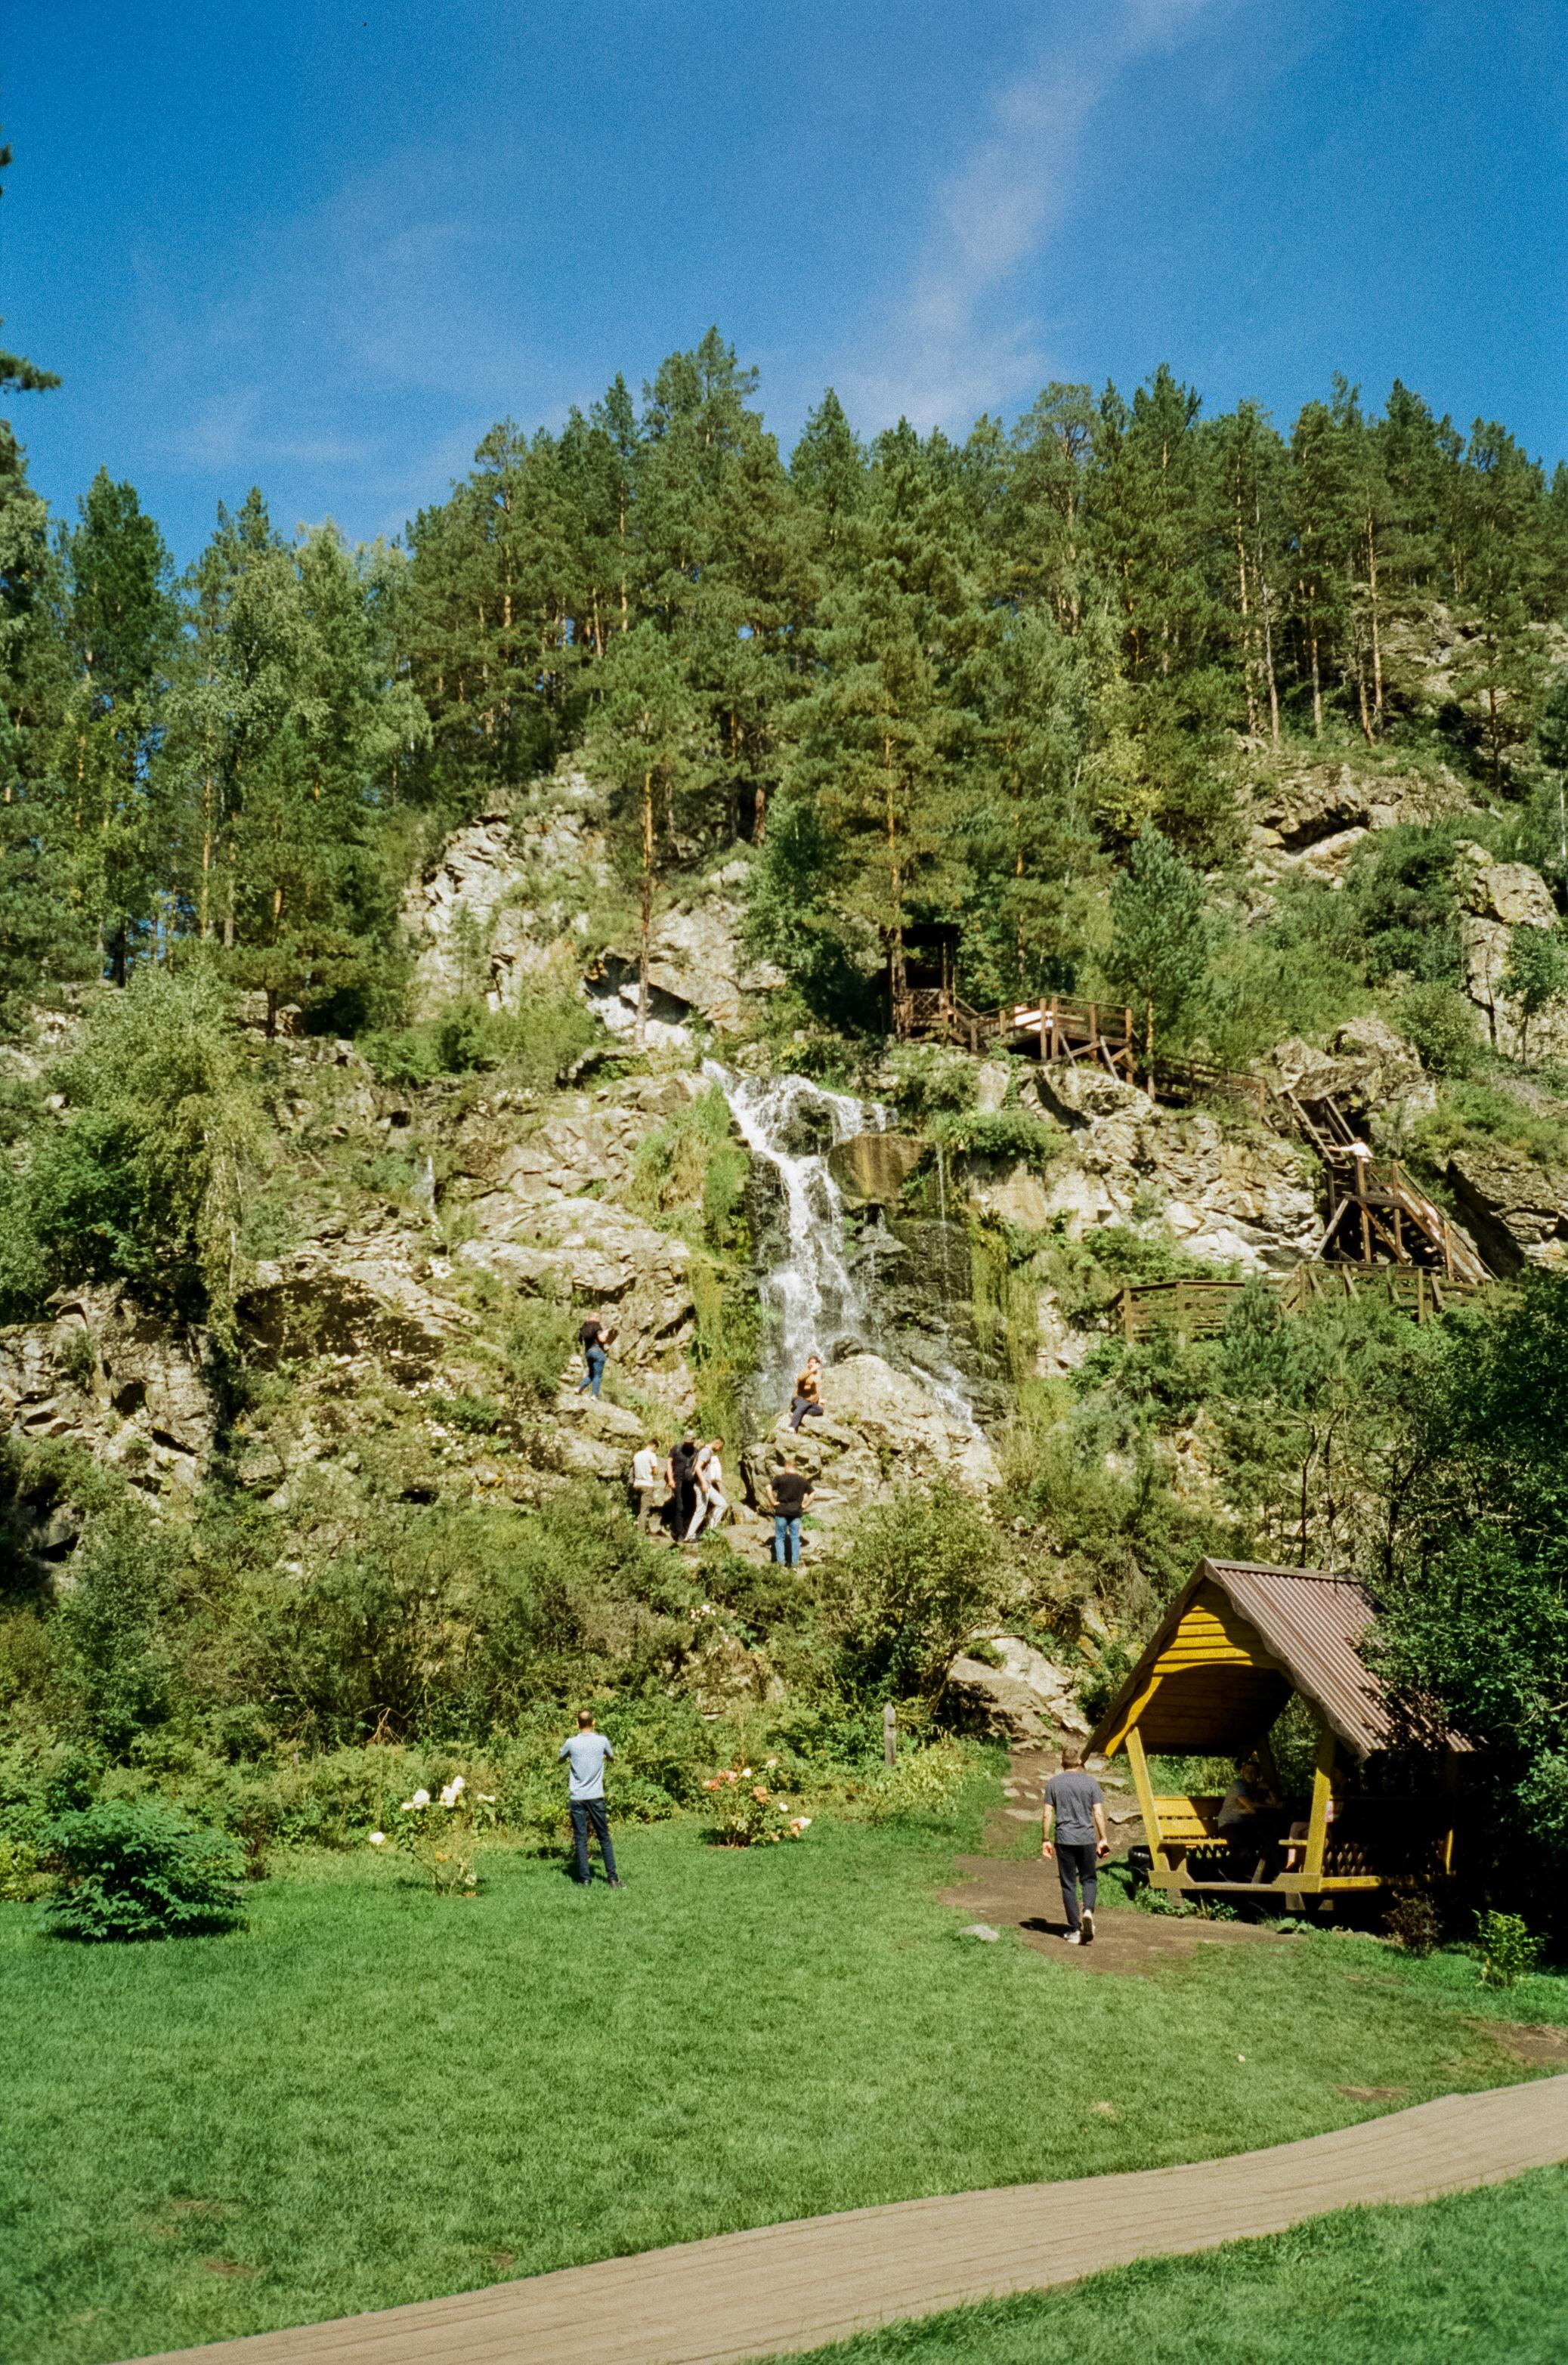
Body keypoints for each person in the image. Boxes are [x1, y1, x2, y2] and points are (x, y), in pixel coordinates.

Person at [1042, 1745, 1110, 1945]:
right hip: (1087, 1839)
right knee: (1089, 1879)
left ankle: (1074, 1929)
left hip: (1064, 1839)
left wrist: (1045, 1839)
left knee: (1068, 1884)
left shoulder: (1053, 1784)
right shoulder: (1090, 1783)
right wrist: (1103, 1838)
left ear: (1062, 1763)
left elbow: (1047, 1813)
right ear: (1080, 1762)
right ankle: (1088, 1910)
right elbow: (1097, 1813)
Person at [558, 1708, 622, 1887]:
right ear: (594, 1723)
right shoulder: (602, 1741)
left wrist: (567, 1755)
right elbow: (611, 1758)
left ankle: (585, 1879)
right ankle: (612, 1878)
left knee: (580, 1838)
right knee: (604, 1837)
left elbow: (560, 1759)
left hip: (577, 1797)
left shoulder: (571, 1743)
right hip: (596, 1796)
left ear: (577, 1724)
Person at [771, 1458, 812, 1566]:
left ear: (787, 1466)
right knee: (795, 1538)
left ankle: (781, 1564)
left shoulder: (780, 1478)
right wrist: (804, 1506)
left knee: (780, 1538)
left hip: (782, 1511)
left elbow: (767, 1488)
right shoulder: (802, 1480)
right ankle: (795, 1564)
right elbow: (813, 1494)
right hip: (796, 1513)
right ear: (795, 1467)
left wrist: (773, 1502)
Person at [686, 1436, 728, 1542]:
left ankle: (711, 1531)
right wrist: (704, 1483)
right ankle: (689, 1536)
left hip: (707, 1486)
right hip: (702, 1485)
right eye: (720, 1448)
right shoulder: (706, 1452)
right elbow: (697, 1468)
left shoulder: (706, 1451)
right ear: (717, 1444)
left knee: (722, 1504)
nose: (719, 1450)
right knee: (700, 1511)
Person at [577, 1306, 615, 1398]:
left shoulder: (584, 1327)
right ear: (597, 1318)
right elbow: (602, 1339)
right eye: (599, 1318)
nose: (600, 1320)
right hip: (597, 1352)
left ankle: (579, 1389)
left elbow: (580, 1341)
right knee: (598, 1375)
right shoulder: (597, 1326)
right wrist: (606, 1332)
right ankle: (594, 1395)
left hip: (588, 1352)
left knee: (592, 1374)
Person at [666, 1436, 700, 1538]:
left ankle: (687, 1532)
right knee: (679, 1507)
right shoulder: (676, 1449)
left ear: (693, 1442)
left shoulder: (696, 1451)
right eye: (687, 1442)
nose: (688, 1444)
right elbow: (669, 1463)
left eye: (690, 1442)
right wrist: (670, 1479)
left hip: (691, 1483)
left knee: (691, 1507)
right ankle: (679, 1533)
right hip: (678, 1481)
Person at [630, 1439, 660, 1534]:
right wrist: (652, 1472)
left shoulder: (637, 1455)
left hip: (637, 1484)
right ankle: (641, 1534)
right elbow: (655, 1471)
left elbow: (633, 1469)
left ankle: (637, 1526)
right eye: (656, 1449)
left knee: (639, 1508)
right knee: (645, 1510)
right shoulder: (652, 1455)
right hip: (647, 1484)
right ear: (654, 1446)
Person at [789, 1356, 824, 1434]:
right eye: (811, 1362)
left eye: (814, 1363)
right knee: (803, 1405)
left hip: (809, 1402)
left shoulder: (817, 1374)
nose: (812, 1364)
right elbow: (800, 1378)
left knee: (820, 1410)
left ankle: (796, 1412)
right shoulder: (805, 1371)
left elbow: (817, 1388)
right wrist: (811, 1370)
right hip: (798, 1398)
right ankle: (792, 1427)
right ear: (808, 1364)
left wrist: (819, 1399)